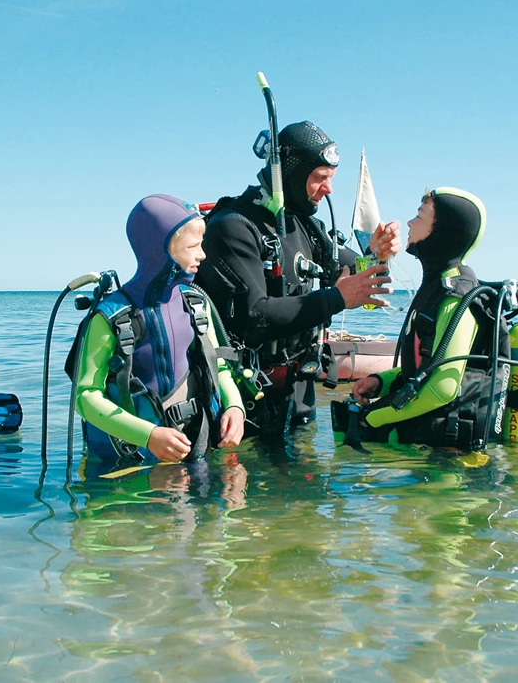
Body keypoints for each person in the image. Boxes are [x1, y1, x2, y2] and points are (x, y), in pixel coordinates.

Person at [195, 121, 401, 436]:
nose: (329, 189)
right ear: (288, 173)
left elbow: (360, 275)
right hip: (243, 398)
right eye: (319, 177)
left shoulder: (306, 226)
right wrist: (337, 298)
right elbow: (255, 316)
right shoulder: (232, 227)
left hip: (297, 392)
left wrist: (377, 256)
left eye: (330, 178)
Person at [71, 195, 245, 463]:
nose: (202, 254)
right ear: (160, 251)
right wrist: (149, 435)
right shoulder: (110, 317)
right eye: (192, 246)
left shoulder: (196, 304)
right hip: (128, 462)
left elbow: (218, 366)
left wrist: (235, 406)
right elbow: (85, 396)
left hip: (193, 449)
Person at [347, 187, 503, 452]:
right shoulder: (436, 288)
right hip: (430, 447)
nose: (409, 223)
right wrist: (381, 382)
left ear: (443, 231)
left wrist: (371, 418)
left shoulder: (456, 297)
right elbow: (425, 368)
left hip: (450, 457)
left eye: (419, 216)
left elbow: (443, 387)